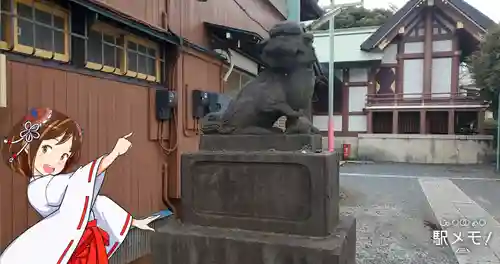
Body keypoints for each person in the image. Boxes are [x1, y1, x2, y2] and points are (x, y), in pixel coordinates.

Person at [0, 107, 158, 263]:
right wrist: (112, 155)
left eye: (64, 155)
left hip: (81, 243)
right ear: (27, 147)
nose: (55, 161)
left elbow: (93, 198)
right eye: (47, 149)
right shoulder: (38, 188)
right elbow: (78, 182)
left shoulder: (58, 182)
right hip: (68, 247)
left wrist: (132, 222)